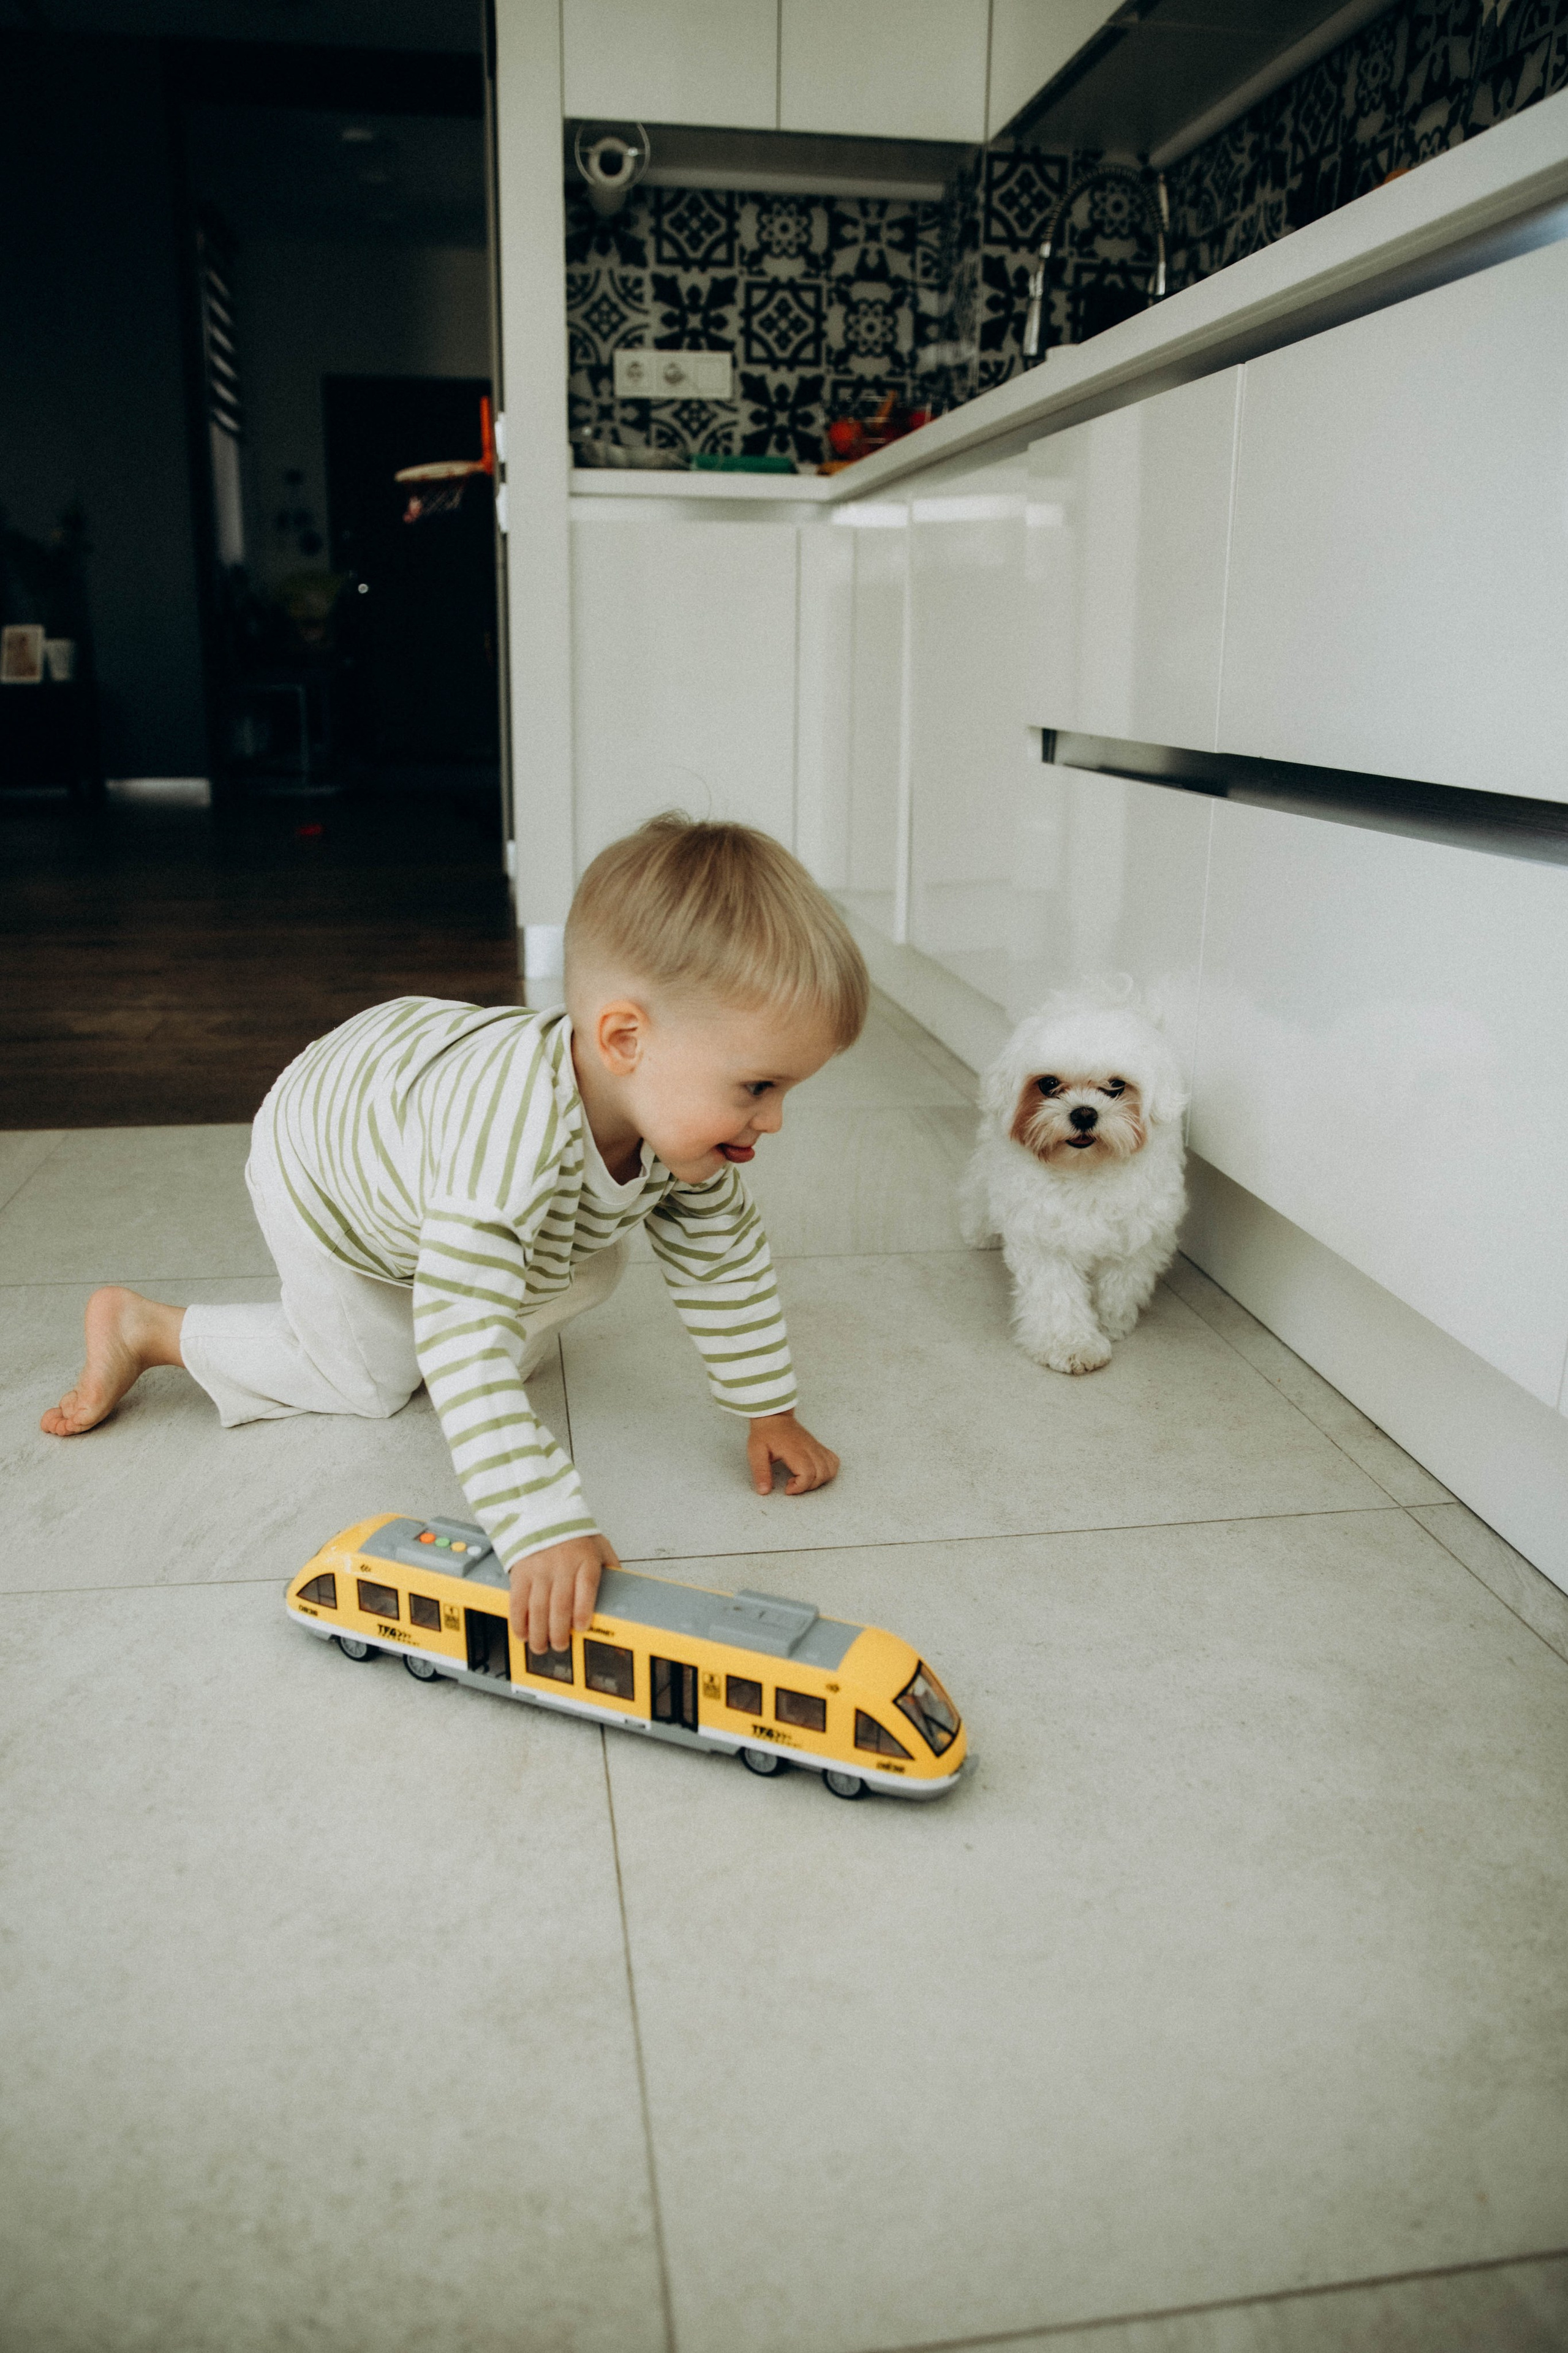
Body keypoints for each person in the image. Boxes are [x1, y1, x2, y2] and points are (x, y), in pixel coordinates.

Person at [42, 815, 868, 1655]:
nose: (771, 1119)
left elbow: (723, 1260)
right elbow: (464, 1335)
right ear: (624, 1039)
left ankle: (454, 1291)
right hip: (326, 1161)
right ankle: (151, 1329)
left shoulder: (675, 1124)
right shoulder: (511, 1141)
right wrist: (539, 1520)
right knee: (375, 1376)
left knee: (564, 1277)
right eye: (757, 1086)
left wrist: (769, 1410)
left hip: (417, 1105)